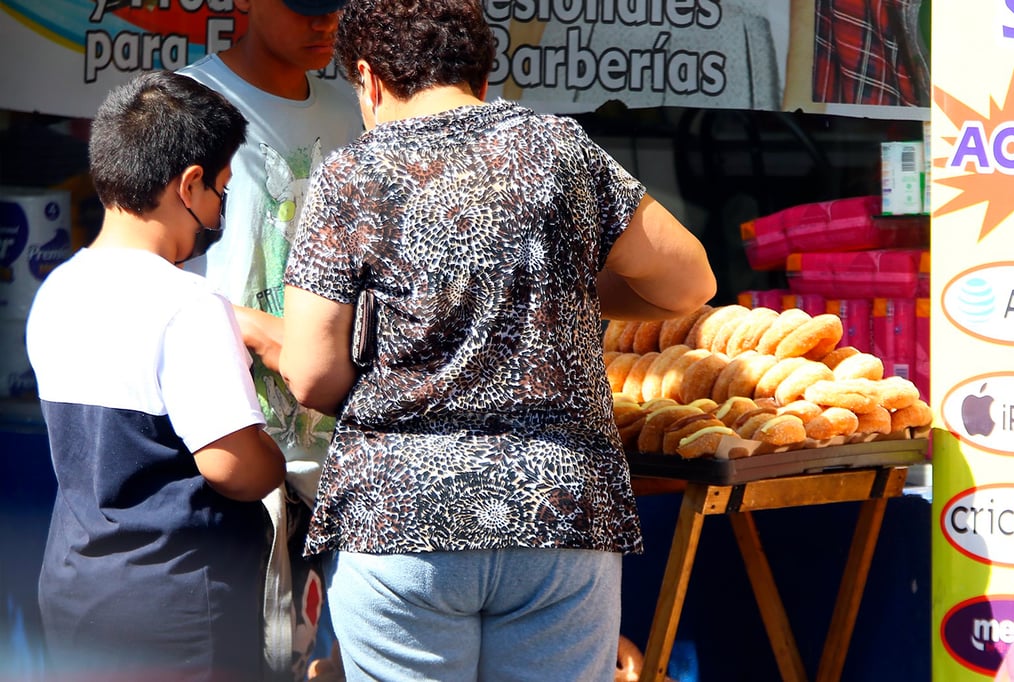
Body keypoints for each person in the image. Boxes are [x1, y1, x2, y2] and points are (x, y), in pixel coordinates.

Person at [274, 1, 717, 679]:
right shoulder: (557, 149)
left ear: (367, 80)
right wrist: (565, 290)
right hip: (558, 511)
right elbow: (690, 281)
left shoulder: (350, 176)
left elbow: (311, 374)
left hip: (402, 518)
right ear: (482, 75)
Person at [25, 70, 286, 681]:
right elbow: (233, 467)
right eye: (222, 192)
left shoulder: (57, 289)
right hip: (177, 606)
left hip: (74, 587)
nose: (220, 211)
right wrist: (276, 459)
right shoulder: (187, 306)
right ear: (189, 185)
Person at [178, 1, 363, 678]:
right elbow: (138, 281)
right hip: (230, 454)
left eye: (335, 6)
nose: (323, 22)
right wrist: (255, 328)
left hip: (347, 467)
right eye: (303, 4)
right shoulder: (182, 105)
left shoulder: (357, 112)